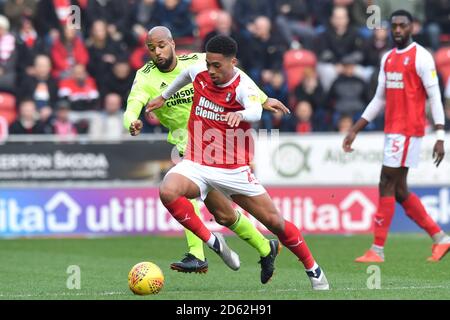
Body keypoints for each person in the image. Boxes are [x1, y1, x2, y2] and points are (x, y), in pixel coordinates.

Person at [146, 34, 329, 290]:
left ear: (233, 62)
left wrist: (241, 114)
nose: (210, 70)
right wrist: (164, 97)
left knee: (275, 222)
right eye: (208, 64)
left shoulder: (243, 86)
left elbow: (254, 110)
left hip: (233, 170)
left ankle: (314, 269)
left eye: (216, 66)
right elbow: (186, 74)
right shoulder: (201, 71)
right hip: (197, 162)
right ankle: (214, 243)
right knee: (168, 190)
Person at [123, 27, 290, 284]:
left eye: (161, 46)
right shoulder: (144, 77)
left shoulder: (198, 62)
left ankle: (197, 254)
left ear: (172, 43)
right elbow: (132, 105)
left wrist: (263, 98)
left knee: (183, 194)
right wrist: (131, 121)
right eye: (151, 48)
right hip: (188, 147)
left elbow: (237, 74)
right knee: (223, 214)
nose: (157, 52)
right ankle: (266, 248)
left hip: (215, 146)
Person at [342, 10, 450, 263]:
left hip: (408, 130)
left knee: (385, 183)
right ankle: (440, 239)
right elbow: (379, 98)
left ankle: (377, 250)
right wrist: (355, 128)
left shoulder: (422, 57)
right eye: (395, 26)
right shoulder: (388, 58)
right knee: (399, 191)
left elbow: (435, 97)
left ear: (412, 27)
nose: (398, 30)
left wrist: (440, 134)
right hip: (393, 131)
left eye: (403, 25)